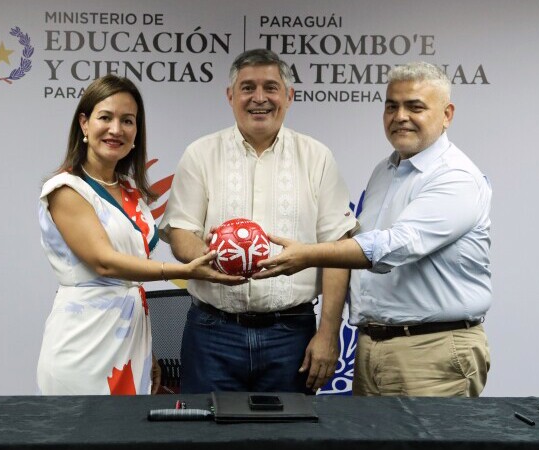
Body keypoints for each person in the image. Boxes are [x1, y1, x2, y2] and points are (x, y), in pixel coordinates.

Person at [253, 62, 492, 397]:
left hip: (431, 350)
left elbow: (395, 246)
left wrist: (308, 254)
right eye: (391, 106)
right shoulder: (386, 170)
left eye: (415, 106)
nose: (400, 116)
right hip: (374, 347)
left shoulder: (455, 176)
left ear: (447, 114)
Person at [159, 49, 358, 394]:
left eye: (271, 87)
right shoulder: (200, 153)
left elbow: (338, 249)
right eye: (248, 87)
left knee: (287, 439)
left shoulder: (317, 157)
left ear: (289, 96)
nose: (259, 98)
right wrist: (208, 259)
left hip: (291, 334)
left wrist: (328, 334)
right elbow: (180, 232)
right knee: (206, 437)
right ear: (230, 96)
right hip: (212, 332)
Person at [36, 75, 243, 396]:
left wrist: (148, 351)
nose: (116, 129)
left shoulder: (131, 191)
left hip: (132, 339)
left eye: (127, 121)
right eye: (105, 117)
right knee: (78, 439)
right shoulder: (66, 189)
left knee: (129, 442)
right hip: (83, 341)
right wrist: (184, 272)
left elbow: (135, 271)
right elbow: (105, 263)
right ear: (84, 124)